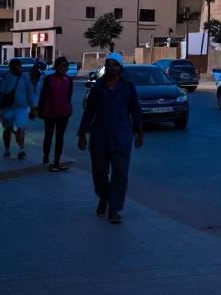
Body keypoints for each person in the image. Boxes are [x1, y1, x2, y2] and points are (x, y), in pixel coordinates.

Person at [77, 53, 143, 224]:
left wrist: (139, 132)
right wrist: (82, 134)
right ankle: (104, 197)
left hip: (121, 137)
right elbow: (89, 111)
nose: (112, 67)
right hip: (100, 137)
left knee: (120, 175)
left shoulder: (128, 87)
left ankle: (114, 209)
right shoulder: (98, 88)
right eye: (109, 65)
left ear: (121, 67)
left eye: (115, 65)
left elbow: (136, 111)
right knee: (99, 174)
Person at [0, 57, 38, 160]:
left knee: (20, 127)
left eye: (20, 67)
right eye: (16, 67)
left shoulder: (25, 77)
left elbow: (29, 91)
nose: (19, 69)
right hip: (7, 108)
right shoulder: (6, 78)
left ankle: (21, 150)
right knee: (7, 129)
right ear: (11, 68)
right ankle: (7, 149)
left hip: (21, 107)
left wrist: (32, 105)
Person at [38, 56, 75, 171]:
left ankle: (56, 161)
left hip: (63, 113)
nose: (63, 68)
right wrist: (40, 110)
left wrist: (68, 108)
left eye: (65, 66)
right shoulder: (49, 79)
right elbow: (43, 95)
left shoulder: (69, 80)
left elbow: (68, 96)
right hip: (50, 111)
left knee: (60, 137)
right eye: (61, 65)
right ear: (56, 66)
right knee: (48, 136)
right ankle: (45, 157)